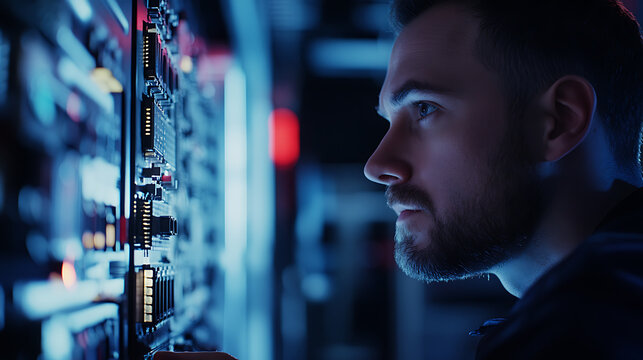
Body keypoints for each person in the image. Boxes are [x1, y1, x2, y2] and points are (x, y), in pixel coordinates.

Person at [363, 0, 643, 358]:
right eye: (389, 121)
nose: (377, 164)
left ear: (558, 120)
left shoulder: (576, 333)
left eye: (424, 108)